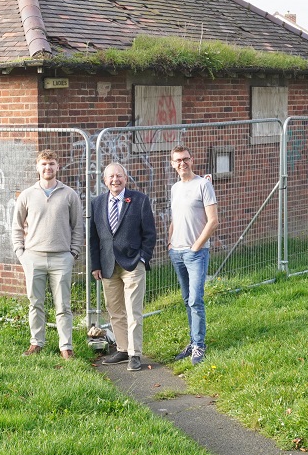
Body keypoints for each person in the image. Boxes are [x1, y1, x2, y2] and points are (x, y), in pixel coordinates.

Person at [12, 149, 84, 360]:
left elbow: (77, 226)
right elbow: (16, 226)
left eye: (51, 163)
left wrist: (73, 253)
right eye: (44, 164)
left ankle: (66, 347)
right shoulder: (27, 195)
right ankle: (36, 343)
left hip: (62, 257)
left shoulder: (69, 194)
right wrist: (21, 253)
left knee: (63, 305)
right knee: (36, 303)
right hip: (33, 257)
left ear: (57, 166)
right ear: (38, 167)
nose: (48, 168)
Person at [89, 162, 156, 372]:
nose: (115, 180)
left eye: (119, 176)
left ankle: (135, 354)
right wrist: (95, 265)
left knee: (133, 310)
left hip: (132, 264)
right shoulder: (97, 202)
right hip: (108, 266)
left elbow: (150, 233)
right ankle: (123, 349)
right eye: (110, 177)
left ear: (125, 179)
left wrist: (143, 258)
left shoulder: (139, 200)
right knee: (115, 310)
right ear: (104, 180)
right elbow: (93, 237)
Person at [168, 145, 219, 365]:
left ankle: (199, 345)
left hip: (195, 253)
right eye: (178, 160)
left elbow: (213, 220)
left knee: (196, 300)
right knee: (186, 299)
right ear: (173, 165)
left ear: (192, 160)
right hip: (176, 252)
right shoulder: (175, 188)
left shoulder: (203, 185)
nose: (182, 163)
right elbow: (175, 218)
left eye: (185, 159)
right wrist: (170, 243)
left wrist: (197, 245)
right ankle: (192, 342)